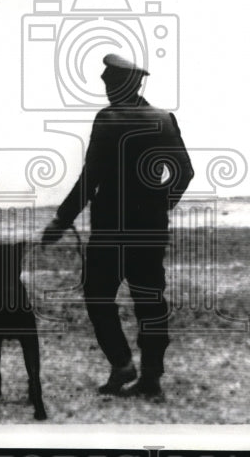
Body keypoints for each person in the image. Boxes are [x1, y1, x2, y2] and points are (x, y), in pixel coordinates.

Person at [41, 53, 194, 399]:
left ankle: (123, 364)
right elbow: (184, 172)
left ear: (125, 84)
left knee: (98, 297)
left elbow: (89, 179)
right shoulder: (163, 119)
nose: (107, 89)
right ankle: (151, 378)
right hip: (150, 230)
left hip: (110, 229)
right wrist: (160, 206)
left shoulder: (107, 119)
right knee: (151, 301)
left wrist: (61, 221)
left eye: (111, 84)